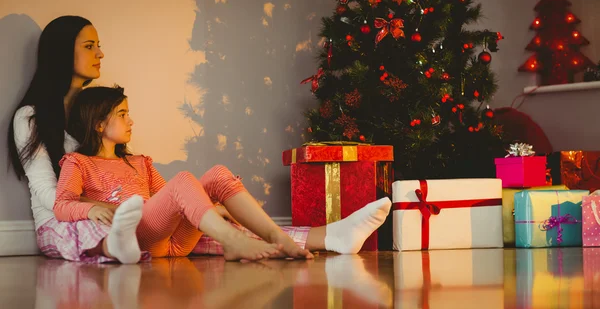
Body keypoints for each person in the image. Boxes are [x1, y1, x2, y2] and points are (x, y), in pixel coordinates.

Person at [55, 85, 392, 261]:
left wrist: (212, 206)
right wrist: (91, 207)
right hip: (142, 240)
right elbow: (62, 204)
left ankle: (281, 239)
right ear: (99, 124)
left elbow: (167, 199)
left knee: (215, 174)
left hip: (175, 240)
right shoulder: (78, 163)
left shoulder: (139, 161)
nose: (131, 122)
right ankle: (235, 243)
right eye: (123, 114)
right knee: (185, 179)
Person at [7, 16, 142, 263]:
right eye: (89, 46)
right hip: (61, 220)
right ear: (62, 52)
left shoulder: (96, 111)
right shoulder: (30, 117)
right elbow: (49, 194)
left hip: (110, 212)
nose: (100, 54)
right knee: (106, 231)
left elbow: (118, 169)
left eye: (98, 45)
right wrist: (109, 209)